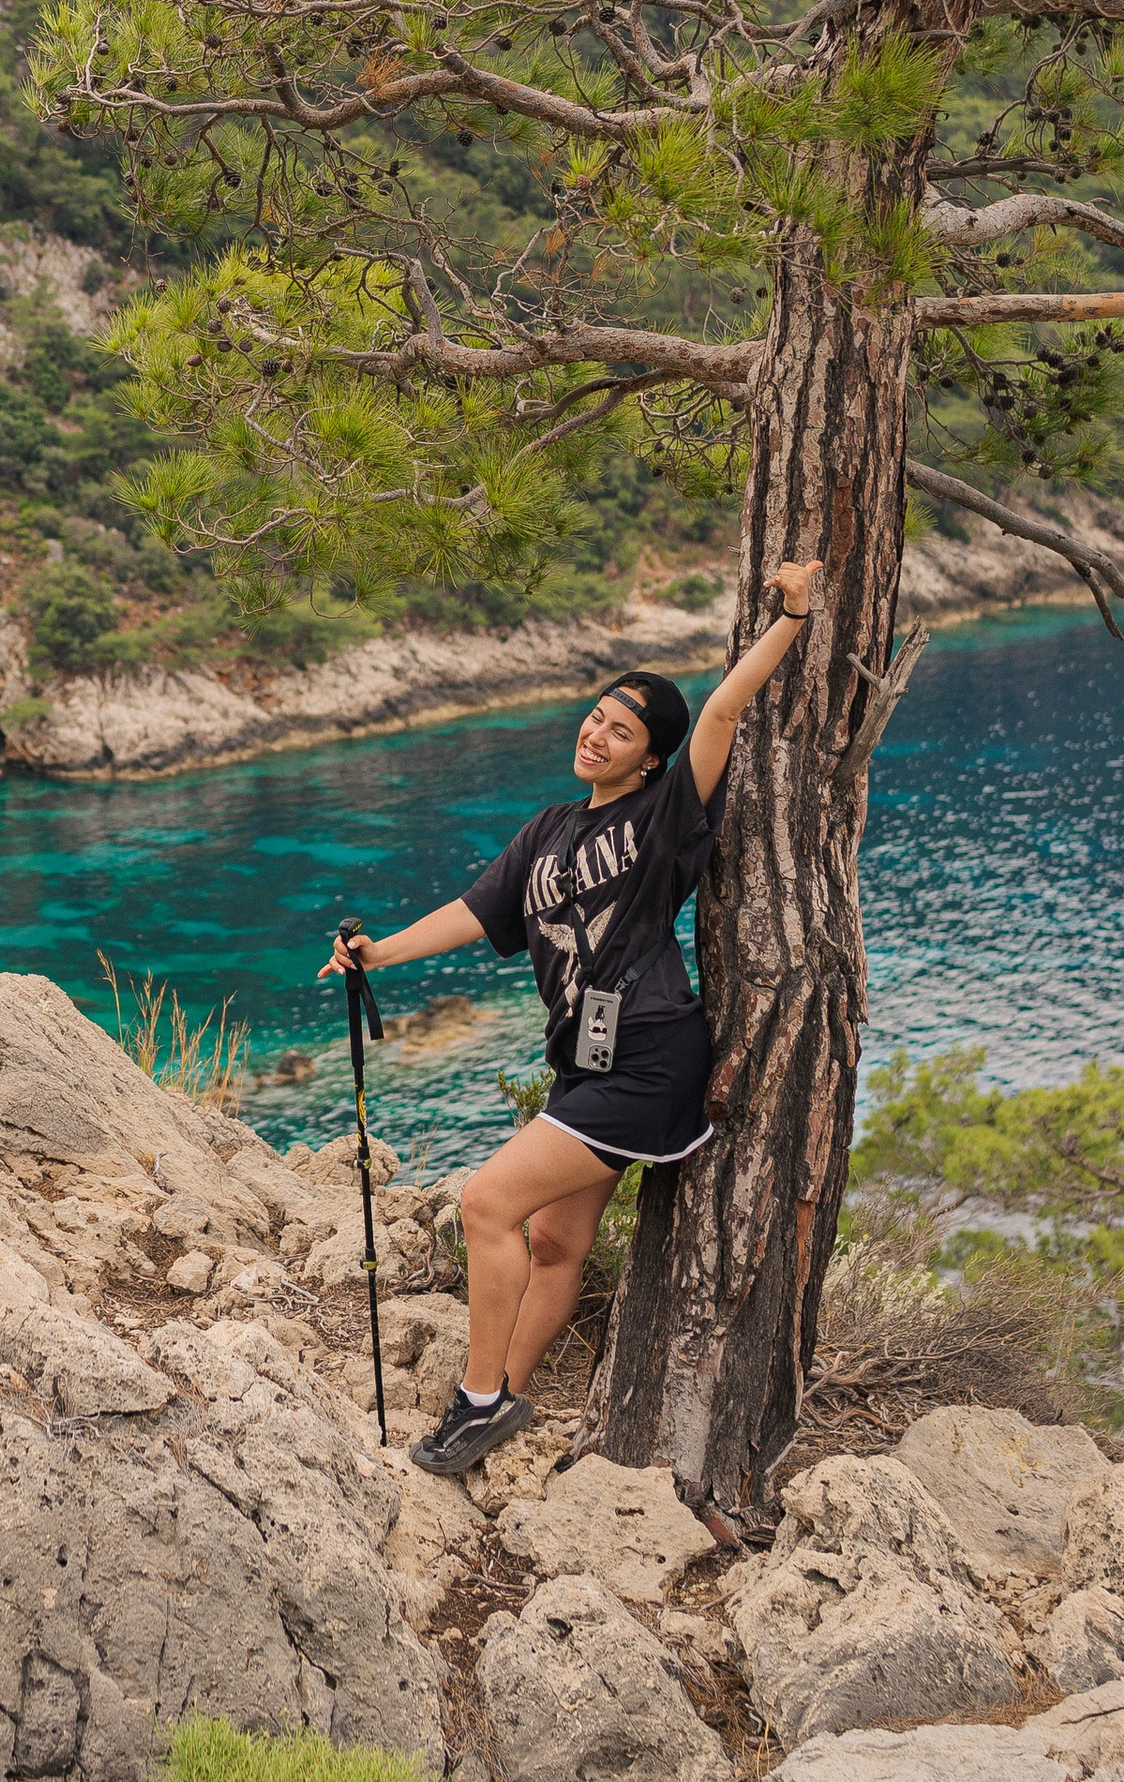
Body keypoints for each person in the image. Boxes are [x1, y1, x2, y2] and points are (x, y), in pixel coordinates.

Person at [323, 565, 823, 1474]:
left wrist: (791, 616)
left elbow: (717, 715)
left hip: (648, 1060)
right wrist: (377, 953)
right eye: (597, 716)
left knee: (487, 1201)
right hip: (583, 1064)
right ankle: (503, 1400)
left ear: (650, 759)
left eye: (622, 731)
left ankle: (473, 1403)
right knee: (552, 1239)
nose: (598, 734)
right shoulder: (550, 828)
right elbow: (477, 913)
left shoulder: (668, 814)